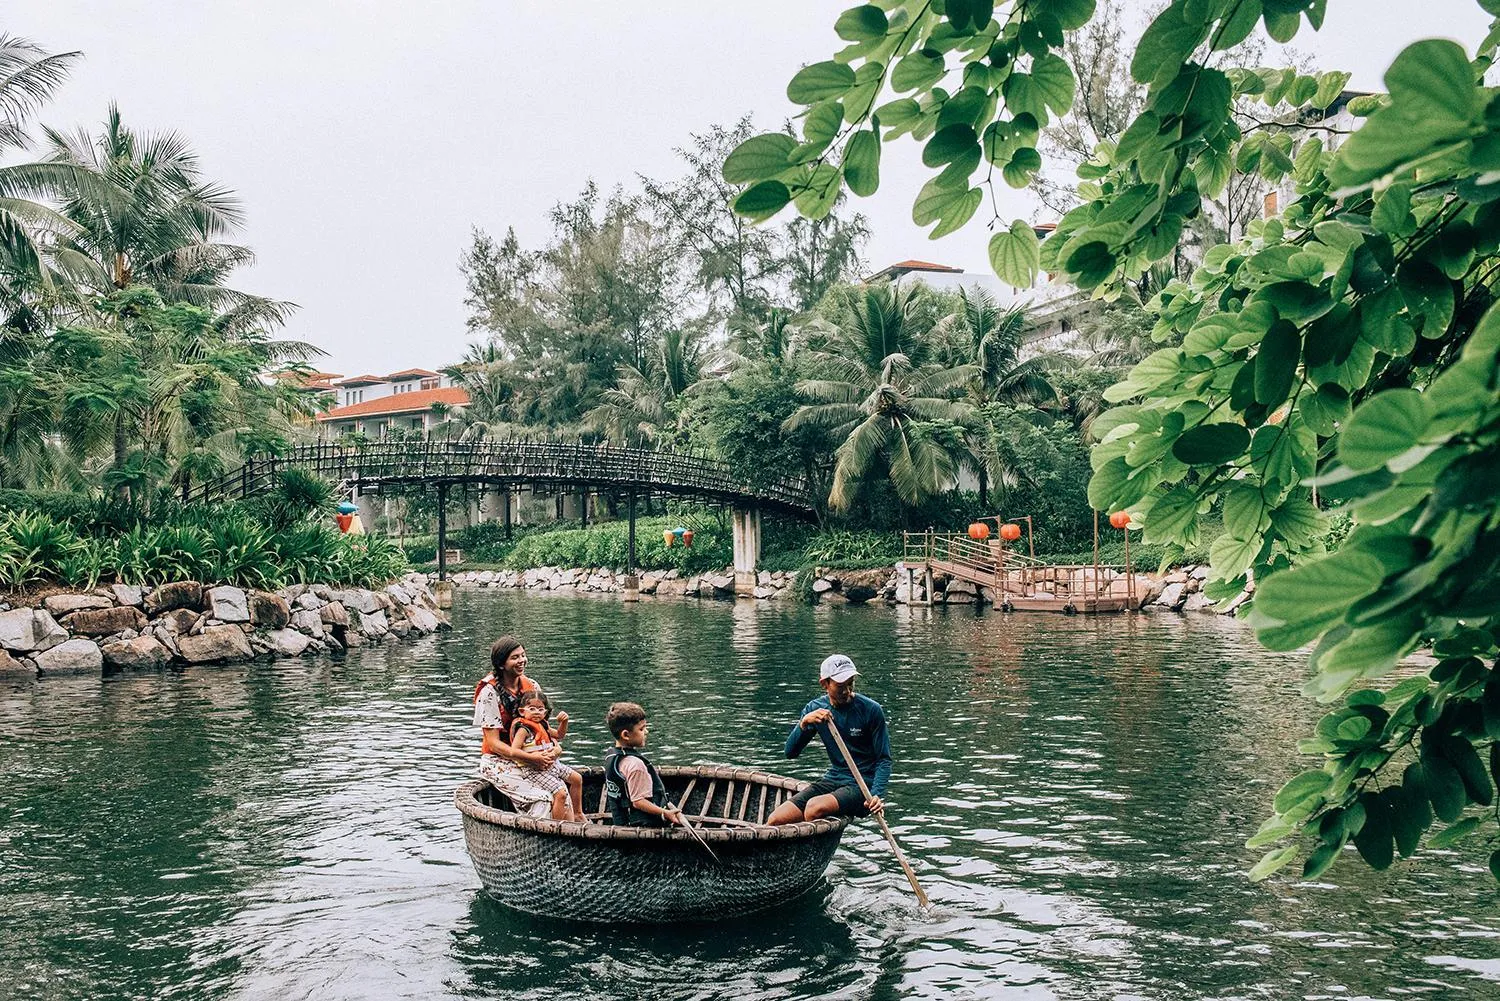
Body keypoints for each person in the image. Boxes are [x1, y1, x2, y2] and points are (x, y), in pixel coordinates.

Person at [768, 654, 891, 825]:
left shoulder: (871, 710)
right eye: (840, 686)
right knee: (775, 819)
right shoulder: (815, 710)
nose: (847, 691)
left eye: (850, 683)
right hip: (834, 779)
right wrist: (803, 724)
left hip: (863, 785)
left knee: (813, 808)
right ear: (824, 684)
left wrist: (876, 794)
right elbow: (790, 753)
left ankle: (810, 852)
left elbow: (884, 760)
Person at [472, 635, 577, 820]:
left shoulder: (532, 686)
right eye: (515, 657)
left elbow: (544, 729)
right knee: (543, 799)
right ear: (501, 664)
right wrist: (530, 759)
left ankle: (571, 836)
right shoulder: (489, 692)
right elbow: (494, 744)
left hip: (531, 754)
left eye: (523, 655)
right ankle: (543, 839)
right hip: (498, 760)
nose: (521, 661)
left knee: (563, 792)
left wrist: (555, 749)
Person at [602, 701, 682, 828]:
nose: (646, 732)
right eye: (641, 729)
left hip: (623, 823)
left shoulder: (614, 757)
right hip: (641, 825)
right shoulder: (636, 765)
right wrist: (665, 813)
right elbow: (638, 802)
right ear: (626, 735)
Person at [510, 689, 586, 821]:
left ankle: (578, 813)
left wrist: (564, 722)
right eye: (532, 708)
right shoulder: (524, 729)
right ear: (522, 711)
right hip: (535, 770)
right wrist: (534, 758)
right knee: (561, 794)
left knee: (577, 779)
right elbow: (514, 751)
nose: (536, 712)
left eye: (540, 709)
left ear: (545, 712)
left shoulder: (543, 725)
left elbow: (559, 735)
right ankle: (555, 826)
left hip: (553, 765)